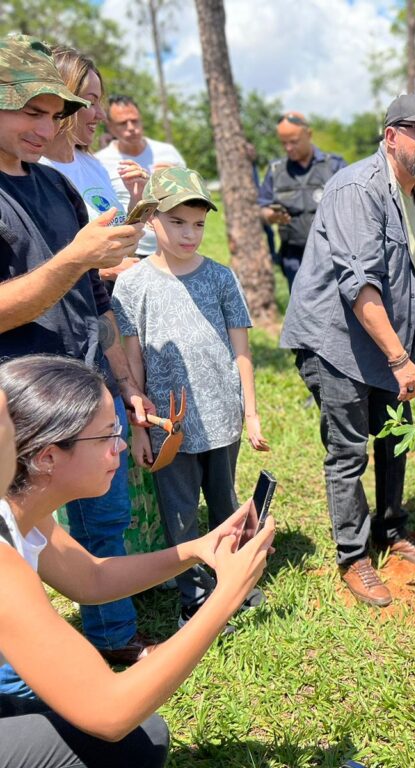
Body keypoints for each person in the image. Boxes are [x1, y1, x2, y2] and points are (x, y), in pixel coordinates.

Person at [0, 354, 274, 768]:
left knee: (142, 738)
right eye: (107, 435)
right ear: (47, 457)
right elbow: (109, 712)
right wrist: (227, 595)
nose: (122, 445)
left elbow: (90, 578)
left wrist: (196, 549)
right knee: (132, 744)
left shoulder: (18, 511)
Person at [0, 34, 157, 667]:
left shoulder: (57, 189)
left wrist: (126, 387)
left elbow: (96, 303)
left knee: (104, 520)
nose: (47, 127)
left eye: (55, 114)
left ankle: (107, 639)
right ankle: (22, 678)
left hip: (86, 390)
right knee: (16, 545)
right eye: (30, 111)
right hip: (19, 410)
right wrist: (75, 258)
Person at [280, 93, 415, 607]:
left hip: (382, 344)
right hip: (337, 342)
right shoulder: (358, 188)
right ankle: (354, 557)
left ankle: (392, 528)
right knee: (349, 448)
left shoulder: (410, 192)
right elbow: (359, 285)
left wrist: (404, 350)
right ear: (390, 136)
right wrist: (399, 358)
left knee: (394, 438)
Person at [112, 167, 270, 630]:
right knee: (179, 514)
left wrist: (252, 413)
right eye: (177, 222)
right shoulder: (133, 284)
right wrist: (140, 425)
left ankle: (236, 581)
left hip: (222, 418)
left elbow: (241, 351)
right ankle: (196, 598)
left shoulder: (220, 278)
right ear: (152, 221)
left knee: (226, 504)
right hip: (169, 427)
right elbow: (132, 361)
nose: (189, 234)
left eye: (198, 224)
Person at [40, 46, 148, 285]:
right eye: (91, 102)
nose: (101, 115)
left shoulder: (93, 165)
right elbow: (34, 267)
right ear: (62, 101)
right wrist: (103, 272)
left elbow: (122, 250)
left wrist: (137, 202)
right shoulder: (35, 171)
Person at [258, 111, 346, 290]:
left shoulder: (334, 166)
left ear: (309, 134)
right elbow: (262, 208)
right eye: (284, 143)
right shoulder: (276, 171)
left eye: (294, 141)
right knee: (300, 314)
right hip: (294, 257)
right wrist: (271, 216)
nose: (288, 148)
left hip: (332, 255)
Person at [95, 94, 186, 259]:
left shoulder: (167, 152)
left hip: (173, 248)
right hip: (130, 253)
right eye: (123, 123)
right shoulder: (99, 162)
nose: (131, 127)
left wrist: (178, 180)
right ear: (109, 126)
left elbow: (194, 201)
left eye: (135, 121)